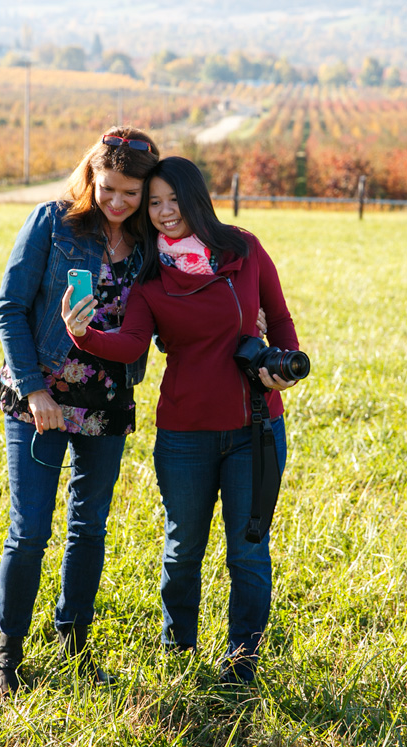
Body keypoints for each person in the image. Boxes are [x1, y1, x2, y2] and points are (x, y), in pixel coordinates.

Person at [62, 156, 300, 687]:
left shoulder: (244, 249)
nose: (165, 212)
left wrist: (286, 365)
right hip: (184, 435)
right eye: (155, 203)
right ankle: (179, 650)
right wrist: (85, 334)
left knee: (249, 551)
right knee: (182, 546)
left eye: (174, 200)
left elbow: (279, 318)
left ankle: (243, 665)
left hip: (256, 427)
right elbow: (129, 345)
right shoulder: (151, 279)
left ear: (198, 198)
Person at [0, 127, 161, 699]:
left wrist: (247, 326)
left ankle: (74, 643)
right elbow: (10, 306)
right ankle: (8, 658)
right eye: (109, 187)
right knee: (30, 530)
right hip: (39, 398)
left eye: (131, 193)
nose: (117, 201)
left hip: (107, 400)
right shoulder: (53, 221)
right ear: (92, 175)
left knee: (89, 529)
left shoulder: (147, 245)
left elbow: (178, 307)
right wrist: (35, 390)